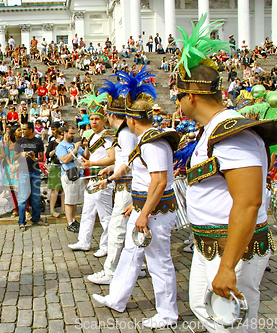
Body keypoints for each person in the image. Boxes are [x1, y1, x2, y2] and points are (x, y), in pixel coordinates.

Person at [174, 16, 277, 333]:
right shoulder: (212, 129)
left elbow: (248, 203)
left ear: (191, 97)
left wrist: (229, 266)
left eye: (179, 95)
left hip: (232, 247)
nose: (177, 102)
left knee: (231, 324)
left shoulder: (233, 132)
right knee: (202, 307)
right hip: (209, 243)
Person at [92, 66, 180, 329]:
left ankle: (167, 313)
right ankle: (117, 298)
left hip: (154, 212)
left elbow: (160, 181)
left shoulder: (153, 143)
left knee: (159, 261)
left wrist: (144, 212)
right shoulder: (146, 140)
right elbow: (145, 179)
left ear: (131, 120)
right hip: (144, 207)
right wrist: (136, 205)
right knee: (131, 254)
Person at [68, 92, 115, 257]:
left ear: (103, 120)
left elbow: (112, 159)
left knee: (105, 215)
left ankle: (108, 246)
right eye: (92, 119)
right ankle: (84, 241)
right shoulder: (93, 136)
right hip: (91, 178)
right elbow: (91, 156)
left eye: (97, 119)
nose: (94, 122)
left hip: (103, 178)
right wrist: (84, 158)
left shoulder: (107, 137)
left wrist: (91, 163)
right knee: (87, 211)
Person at [14, 121, 45, 231]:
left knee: (36, 197)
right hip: (23, 171)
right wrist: (21, 154)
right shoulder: (19, 141)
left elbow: (42, 158)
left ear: (31, 129)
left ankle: (36, 219)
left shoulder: (38, 141)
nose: (22, 131)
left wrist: (35, 159)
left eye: (24, 129)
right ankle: (21, 221)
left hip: (35, 171)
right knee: (23, 198)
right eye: (22, 129)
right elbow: (14, 157)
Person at [56, 125, 85, 233]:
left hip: (78, 174)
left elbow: (84, 156)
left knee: (74, 200)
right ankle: (69, 223)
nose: (73, 135)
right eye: (71, 133)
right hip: (69, 175)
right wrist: (76, 149)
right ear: (64, 133)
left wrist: (85, 146)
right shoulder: (61, 146)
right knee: (69, 200)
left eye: (74, 133)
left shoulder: (74, 144)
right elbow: (65, 159)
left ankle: (73, 220)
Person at [45, 123, 64, 218]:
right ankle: (52, 210)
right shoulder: (52, 142)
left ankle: (64, 209)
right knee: (55, 190)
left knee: (64, 190)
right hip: (55, 167)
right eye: (60, 134)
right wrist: (56, 149)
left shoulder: (66, 143)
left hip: (64, 167)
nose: (61, 135)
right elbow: (47, 155)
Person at [4, 125, 21, 217]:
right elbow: (6, 156)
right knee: (12, 191)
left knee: (22, 190)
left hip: (20, 167)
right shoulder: (8, 143)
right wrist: (11, 165)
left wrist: (17, 166)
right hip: (10, 168)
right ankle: (15, 209)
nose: (21, 131)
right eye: (19, 130)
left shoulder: (23, 142)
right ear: (14, 132)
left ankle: (25, 209)